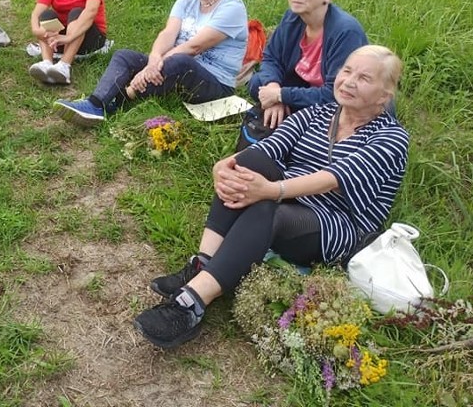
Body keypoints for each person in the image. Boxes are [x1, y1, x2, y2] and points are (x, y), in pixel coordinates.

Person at [134, 45, 409, 349]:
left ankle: (192, 302)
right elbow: (269, 146)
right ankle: (204, 263)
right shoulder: (320, 113)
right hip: (288, 196)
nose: (350, 81)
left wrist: (271, 190)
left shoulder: (391, 138)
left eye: (365, 78)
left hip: (336, 222)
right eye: (347, 71)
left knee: (268, 206)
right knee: (247, 166)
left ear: (384, 96)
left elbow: (333, 179)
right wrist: (225, 166)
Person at [54, 0, 247, 126]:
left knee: (179, 62)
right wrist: (154, 58)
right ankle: (95, 104)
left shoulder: (232, 7)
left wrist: (150, 69)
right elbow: (168, 33)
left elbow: (194, 46)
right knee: (125, 56)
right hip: (175, 64)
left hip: (215, 83)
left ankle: (118, 102)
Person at [248, 0, 367, 130]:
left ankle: (292, 121)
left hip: (338, 101)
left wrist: (281, 95)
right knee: (258, 82)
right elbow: (271, 57)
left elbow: (337, 93)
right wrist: (273, 90)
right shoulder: (292, 18)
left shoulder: (346, 32)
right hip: (305, 89)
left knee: (335, 111)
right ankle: (287, 116)